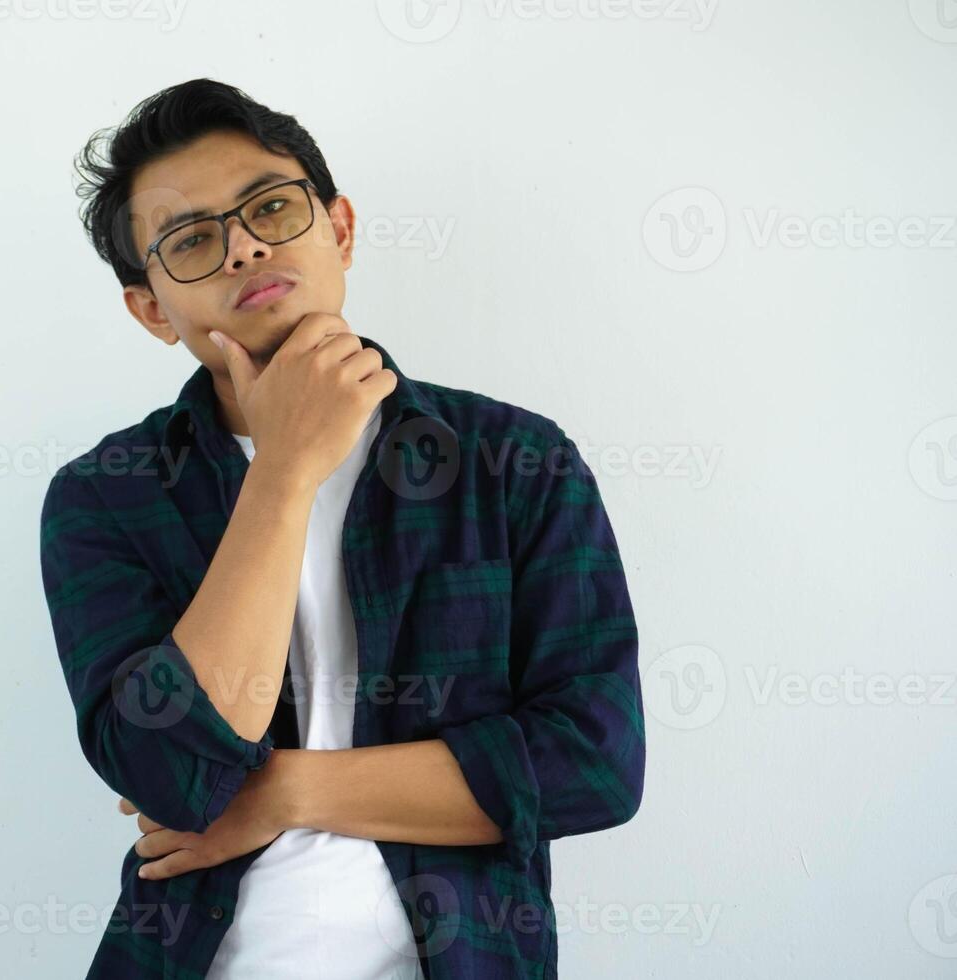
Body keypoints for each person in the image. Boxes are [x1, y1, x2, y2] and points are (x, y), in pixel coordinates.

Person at [38, 77, 645, 979]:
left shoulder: (514, 460)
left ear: (341, 228)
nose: (244, 246)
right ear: (153, 308)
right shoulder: (105, 496)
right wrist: (283, 470)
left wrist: (280, 791)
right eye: (192, 239)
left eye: (272, 208)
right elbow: (172, 777)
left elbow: (593, 763)